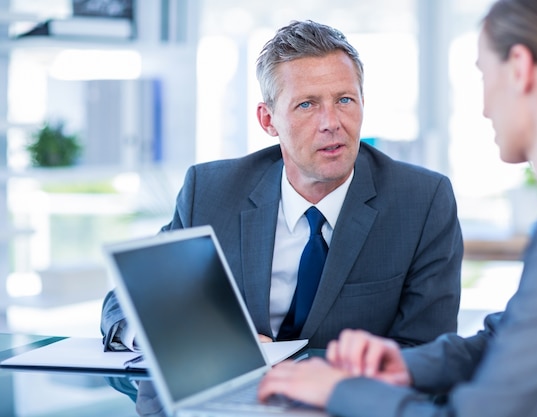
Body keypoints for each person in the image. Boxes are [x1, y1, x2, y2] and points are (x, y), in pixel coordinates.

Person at [257, 0, 537, 416]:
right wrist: (407, 365)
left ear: (520, 69)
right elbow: (515, 332)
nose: (485, 108)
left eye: (485, 76)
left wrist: (342, 390)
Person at [100, 20, 463, 351]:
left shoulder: (422, 201)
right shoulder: (209, 192)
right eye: (307, 105)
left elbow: (426, 350)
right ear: (267, 119)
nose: (331, 123)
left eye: (345, 100)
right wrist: (187, 340)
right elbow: (128, 301)